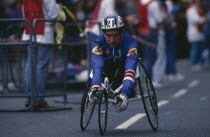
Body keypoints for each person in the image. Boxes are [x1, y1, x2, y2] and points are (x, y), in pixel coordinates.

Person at [88, 15, 140, 111]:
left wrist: (125, 94)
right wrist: (95, 88)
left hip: (123, 67)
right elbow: (98, 67)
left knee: (132, 68)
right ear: (103, 33)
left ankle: (124, 92)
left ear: (121, 33)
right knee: (97, 68)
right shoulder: (98, 43)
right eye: (108, 36)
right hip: (107, 66)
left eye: (115, 35)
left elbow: (130, 70)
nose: (111, 40)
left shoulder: (131, 44)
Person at [22, 0, 60, 108]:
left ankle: (29, 98)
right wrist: (58, 7)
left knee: (29, 66)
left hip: (30, 32)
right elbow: (54, 14)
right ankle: (38, 99)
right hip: (43, 34)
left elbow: (24, 13)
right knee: (41, 68)